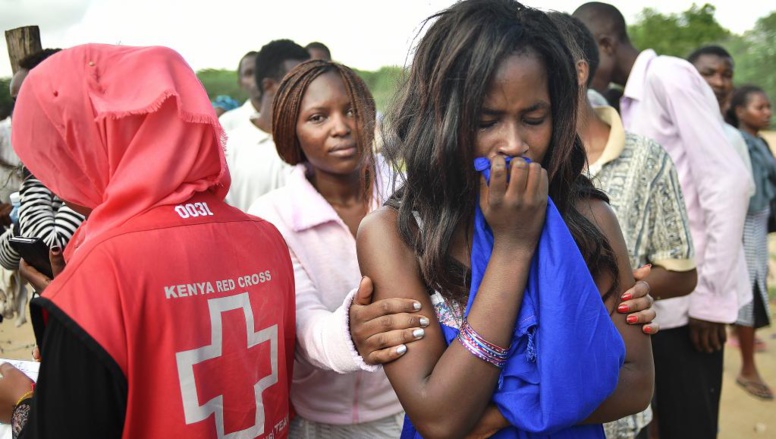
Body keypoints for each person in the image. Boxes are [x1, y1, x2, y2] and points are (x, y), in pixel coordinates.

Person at [356, 1, 654, 437]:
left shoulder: (590, 220)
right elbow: (439, 417)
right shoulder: (398, 233)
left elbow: (635, 385)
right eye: (486, 120)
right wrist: (513, 247)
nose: (513, 143)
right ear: (439, 117)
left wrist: (498, 413)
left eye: (534, 118)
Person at [0, 44, 296, 438]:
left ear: (95, 146)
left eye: (58, 150)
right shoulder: (266, 238)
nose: (55, 172)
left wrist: (21, 404)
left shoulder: (100, 275)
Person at [574, 3, 752, 438]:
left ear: (605, 46)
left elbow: (726, 181)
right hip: (650, 311)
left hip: (689, 308)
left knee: (689, 424)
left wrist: (709, 301)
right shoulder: (631, 100)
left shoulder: (667, 76)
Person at [549, 12, 698, 439]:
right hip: (545, 409)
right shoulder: (523, 167)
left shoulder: (647, 159)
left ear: (579, 71)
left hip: (622, 405)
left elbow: (683, 273)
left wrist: (626, 289)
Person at [250, 59, 415, 437]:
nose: (341, 128)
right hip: (323, 423)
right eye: (318, 118)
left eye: (352, 111)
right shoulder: (272, 216)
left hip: (419, 410)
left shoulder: (415, 197)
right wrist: (348, 335)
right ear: (291, 131)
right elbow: (301, 322)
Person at [0, 49, 85, 328]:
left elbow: (49, 250)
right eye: (14, 102)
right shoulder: (53, 168)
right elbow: (9, 257)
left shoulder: (83, 169)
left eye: (23, 99)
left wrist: (34, 176)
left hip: (83, 325)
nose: (16, 114)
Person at [725, 84, 775, 400]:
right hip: (745, 223)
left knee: (755, 283)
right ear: (740, 111)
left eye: (768, 107)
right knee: (749, 290)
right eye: (760, 107)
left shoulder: (760, 143)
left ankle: (743, 341)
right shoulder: (738, 142)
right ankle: (747, 368)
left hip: (758, 222)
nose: (767, 112)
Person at [225, 39, 310, 211]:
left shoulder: (310, 143)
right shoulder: (228, 146)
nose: (308, 89)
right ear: (269, 86)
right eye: (299, 83)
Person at [218, 50, 261, 133]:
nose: (256, 77)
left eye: (259, 71)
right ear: (241, 83)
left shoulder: (287, 118)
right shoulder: (227, 122)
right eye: (249, 73)